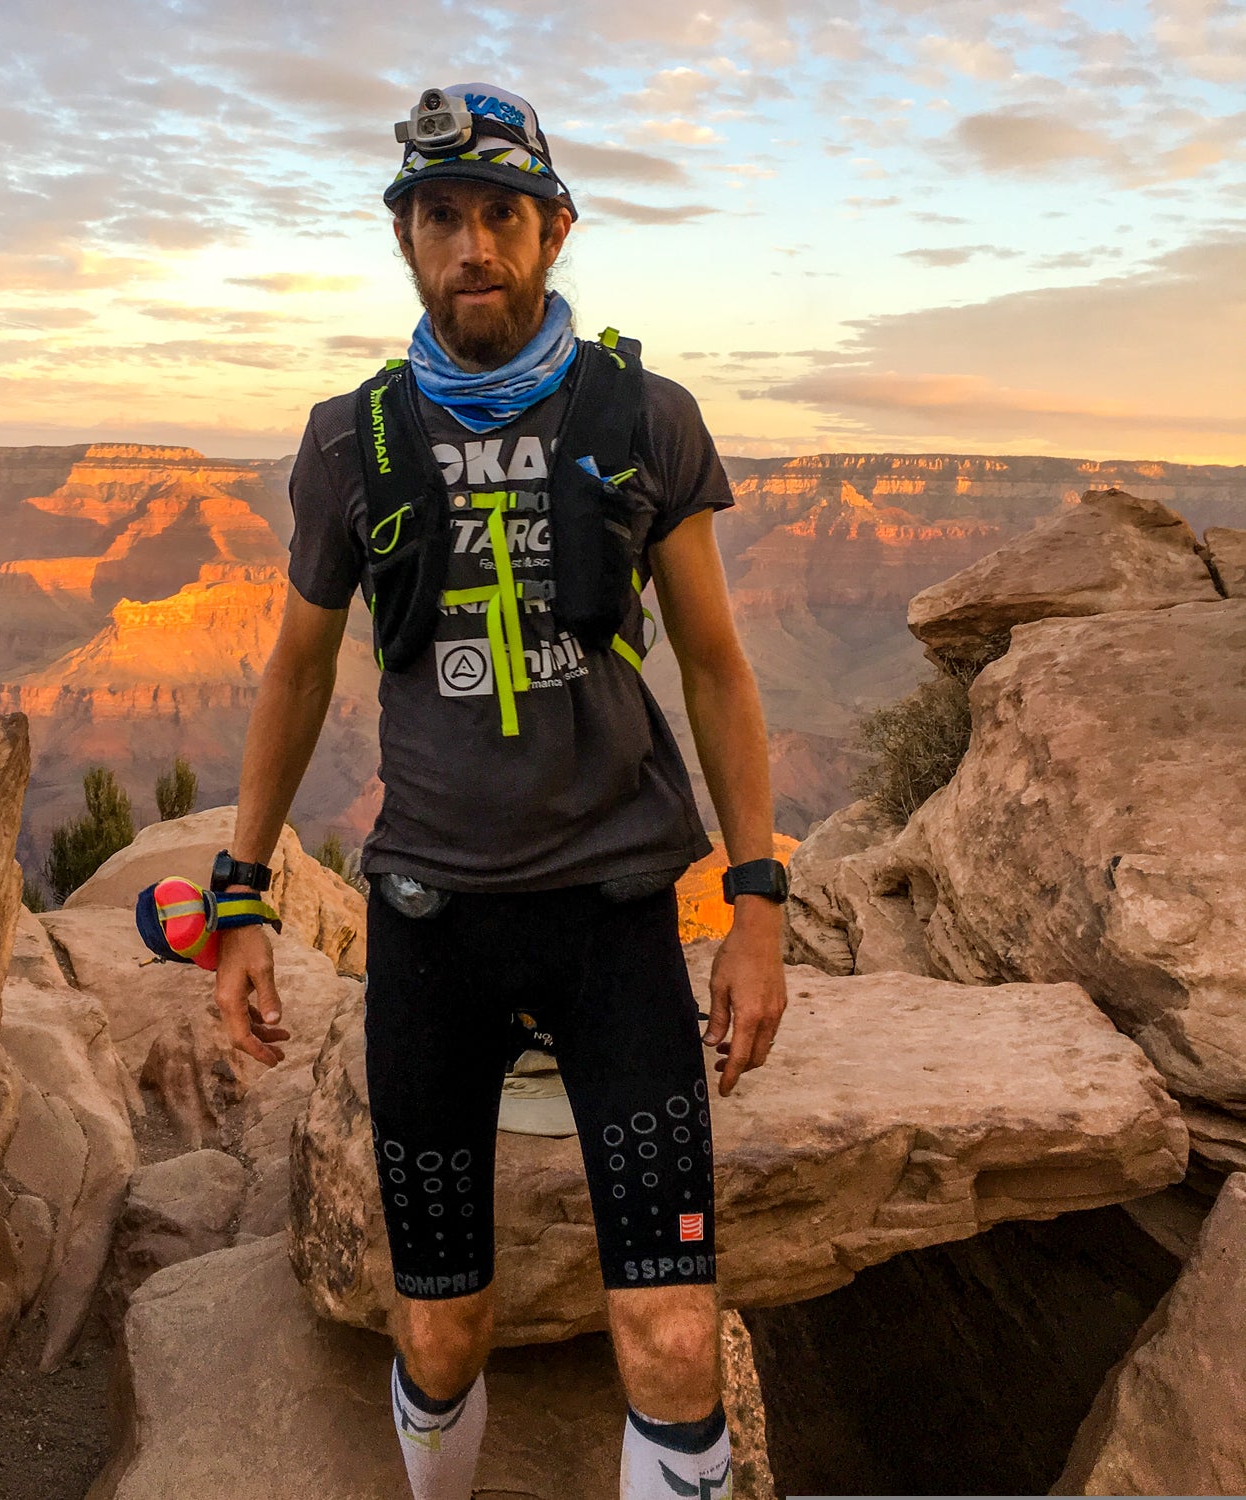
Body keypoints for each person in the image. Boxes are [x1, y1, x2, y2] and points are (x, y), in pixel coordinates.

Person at [213, 80, 789, 1500]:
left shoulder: (644, 417)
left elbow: (715, 670)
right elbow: (293, 675)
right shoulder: (353, 440)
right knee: (440, 1325)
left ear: (555, 230)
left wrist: (760, 898)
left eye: (502, 215)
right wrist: (241, 893)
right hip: (432, 923)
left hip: (614, 922)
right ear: (407, 240)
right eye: (441, 217)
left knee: (666, 1331)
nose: (473, 245)